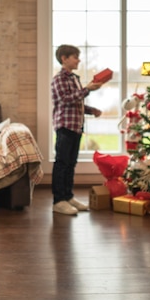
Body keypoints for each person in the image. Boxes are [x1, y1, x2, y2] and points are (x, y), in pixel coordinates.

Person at [51, 44, 103, 215]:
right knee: (62, 163)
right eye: (75, 57)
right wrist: (87, 89)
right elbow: (65, 100)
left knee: (71, 164)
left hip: (76, 127)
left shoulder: (74, 78)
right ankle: (59, 200)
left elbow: (76, 101)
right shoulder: (59, 78)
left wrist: (90, 110)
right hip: (65, 127)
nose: (78, 60)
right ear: (64, 59)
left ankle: (68, 196)